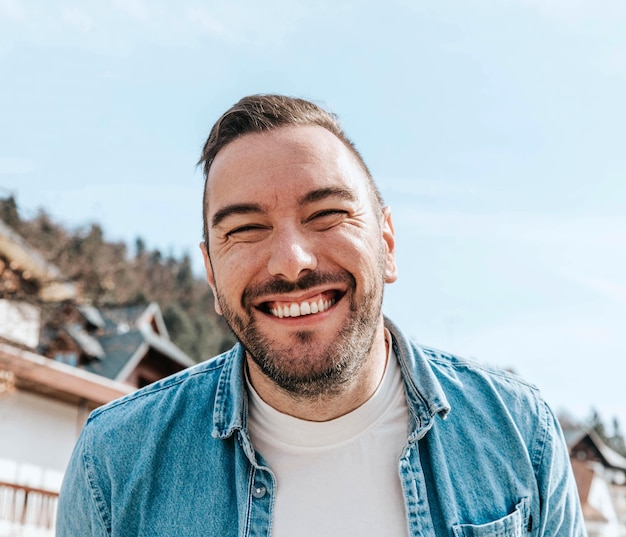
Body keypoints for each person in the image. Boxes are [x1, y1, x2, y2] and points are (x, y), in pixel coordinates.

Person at [57, 94, 586, 536]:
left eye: (327, 214)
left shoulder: (517, 433)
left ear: (387, 244)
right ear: (213, 277)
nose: (291, 261)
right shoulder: (115, 462)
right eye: (244, 228)